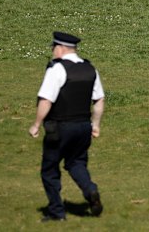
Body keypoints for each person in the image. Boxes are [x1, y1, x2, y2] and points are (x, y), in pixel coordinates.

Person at [29, 32, 105, 222]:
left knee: (50, 169)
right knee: (76, 163)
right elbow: (99, 100)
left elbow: (46, 100)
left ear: (60, 48)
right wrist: (95, 125)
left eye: (53, 48)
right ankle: (90, 190)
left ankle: (56, 212)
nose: (52, 52)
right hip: (83, 128)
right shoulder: (90, 69)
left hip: (60, 128)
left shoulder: (57, 69)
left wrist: (36, 124)